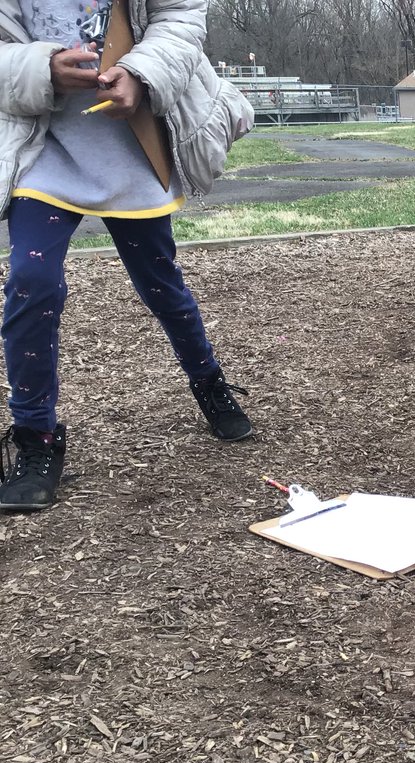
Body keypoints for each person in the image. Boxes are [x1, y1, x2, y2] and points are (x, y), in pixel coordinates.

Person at [0, 0, 255, 511]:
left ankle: (207, 379)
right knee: (31, 277)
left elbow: (182, 17)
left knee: (161, 283)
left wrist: (142, 74)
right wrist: (39, 67)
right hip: (40, 148)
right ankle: (35, 437)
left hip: (134, 146)